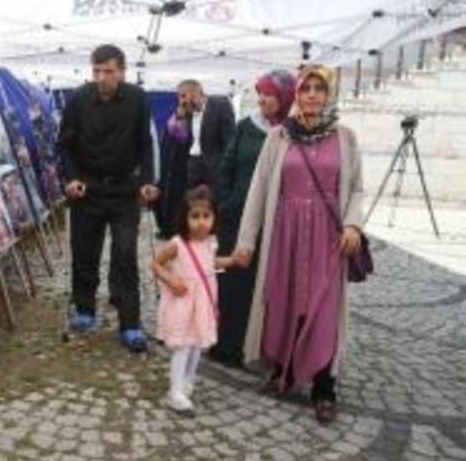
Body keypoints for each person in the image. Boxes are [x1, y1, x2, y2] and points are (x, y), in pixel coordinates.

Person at [232, 65, 364, 424]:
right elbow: (259, 190)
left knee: (324, 307)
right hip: (285, 234)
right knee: (285, 299)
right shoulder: (278, 137)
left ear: (329, 94)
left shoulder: (345, 137)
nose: (312, 95)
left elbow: (356, 188)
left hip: (328, 238)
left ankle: (324, 386)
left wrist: (353, 224)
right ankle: (284, 370)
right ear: (297, 94)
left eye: (319, 88)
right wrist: (246, 240)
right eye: (306, 88)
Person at [59, 44, 159, 352]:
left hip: (124, 189)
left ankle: (129, 322)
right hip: (87, 189)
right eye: (97, 71)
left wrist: (147, 181)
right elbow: (65, 145)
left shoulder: (138, 99)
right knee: (84, 251)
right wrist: (71, 178)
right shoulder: (78, 99)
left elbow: (145, 144)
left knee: (125, 255)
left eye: (109, 71)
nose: (102, 77)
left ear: (122, 71)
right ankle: (84, 307)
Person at [209, 70, 297, 367]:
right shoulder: (246, 126)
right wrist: (225, 204)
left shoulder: (293, 132)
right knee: (233, 282)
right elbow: (226, 167)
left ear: (285, 97)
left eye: (270, 94)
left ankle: (263, 345)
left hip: (274, 222)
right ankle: (227, 345)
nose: (262, 100)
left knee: (266, 284)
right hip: (236, 219)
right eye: (260, 93)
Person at [152, 186, 235, 413]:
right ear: (184, 218)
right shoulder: (177, 244)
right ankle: (175, 391)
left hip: (203, 303)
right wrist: (170, 279)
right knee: (183, 346)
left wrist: (232, 260)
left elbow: (211, 262)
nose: (201, 222)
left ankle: (188, 381)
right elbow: (156, 263)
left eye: (206, 216)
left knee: (197, 345)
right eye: (195, 216)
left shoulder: (211, 242)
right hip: (183, 303)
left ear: (214, 217)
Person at [155, 80, 235, 237]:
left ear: (196, 93)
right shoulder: (187, 111)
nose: (181, 100)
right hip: (192, 162)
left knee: (215, 200)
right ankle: (189, 232)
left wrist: (225, 166)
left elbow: (229, 139)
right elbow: (177, 138)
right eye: (179, 97)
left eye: (183, 96)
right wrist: (179, 118)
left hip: (214, 163)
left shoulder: (219, 105)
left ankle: (216, 233)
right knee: (189, 200)